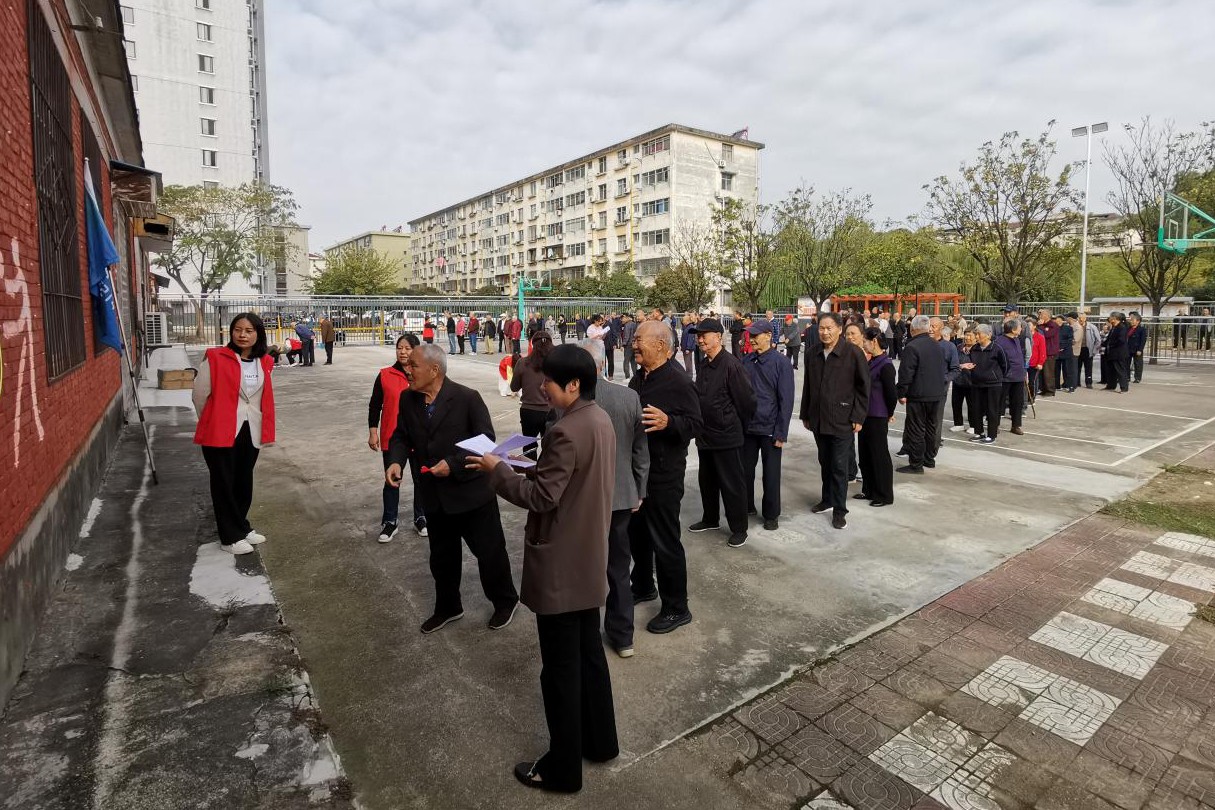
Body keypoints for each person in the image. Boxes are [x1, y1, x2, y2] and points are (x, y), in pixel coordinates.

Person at [467, 345, 619, 794]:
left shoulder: (565, 430)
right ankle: (601, 742)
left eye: (548, 381)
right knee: (589, 658)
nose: (542, 387)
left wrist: (498, 470)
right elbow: (569, 479)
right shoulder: (598, 418)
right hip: (587, 557)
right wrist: (531, 466)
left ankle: (562, 769)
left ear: (573, 384)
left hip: (561, 566)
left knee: (560, 671)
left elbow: (542, 498)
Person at [385, 344, 519, 634]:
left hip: (471, 493)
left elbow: (486, 442)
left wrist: (454, 464)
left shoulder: (467, 398)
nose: (408, 370)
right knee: (442, 557)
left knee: (490, 553)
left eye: (414, 365)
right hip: (434, 495)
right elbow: (401, 436)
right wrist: (395, 461)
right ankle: (448, 607)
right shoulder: (408, 399)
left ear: (434, 370)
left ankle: (505, 601)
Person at [628, 320, 702, 634]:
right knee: (637, 535)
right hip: (638, 473)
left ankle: (677, 608)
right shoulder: (639, 377)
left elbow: (697, 424)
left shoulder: (678, 381)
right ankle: (644, 586)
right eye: (634, 339)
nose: (633, 345)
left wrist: (669, 422)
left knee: (665, 541)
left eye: (638, 340)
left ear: (660, 345)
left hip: (664, 474)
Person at [579, 340, 648, 658]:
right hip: (621, 496)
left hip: (582, 501)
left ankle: (588, 636)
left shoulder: (570, 402)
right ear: (602, 365)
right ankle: (623, 637)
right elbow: (640, 451)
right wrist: (639, 489)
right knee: (619, 568)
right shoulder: (629, 397)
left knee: (585, 568)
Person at [193, 312, 276, 555]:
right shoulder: (216, 358)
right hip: (220, 429)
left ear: (258, 334)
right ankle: (229, 537)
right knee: (223, 482)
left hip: (251, 428)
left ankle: (241, 526)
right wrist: (212, 420)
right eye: (238, 330)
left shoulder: (264, 362)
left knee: (243, 479)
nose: (242, 335)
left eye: (249, 331)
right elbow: (199, 395)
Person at [688, 317, 756, 548]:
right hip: (705, 435)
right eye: (698, 336)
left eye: (704, 336)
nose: (700, 340)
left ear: (718, 337)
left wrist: (732, 423)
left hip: (726, 436)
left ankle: (739, 528)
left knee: (732, 484)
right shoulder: (704, 364)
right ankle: (710, 518)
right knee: (707, 481)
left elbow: (747, 402)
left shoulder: (731, 365)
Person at [799, 313, 869, 530]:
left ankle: (840, 510)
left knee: (839, 466)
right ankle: (827, 499)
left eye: (829, 328)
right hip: (819, 418)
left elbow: (863, 388)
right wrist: (806, 414)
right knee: (825, 461)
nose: (825, 332)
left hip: (842, 419)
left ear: (840, 329)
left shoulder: (853, 353)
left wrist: (858, 416)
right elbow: (808, 385)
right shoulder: (812, 353)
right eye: (822, 328)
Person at [368, 334, 426, 542]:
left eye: (407, 348)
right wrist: (373, 431)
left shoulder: (424, 374)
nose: (403, 352)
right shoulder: (385, 375)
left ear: (416, 351)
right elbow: (375, 405)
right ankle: (390, 521)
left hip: (419, 437)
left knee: (422, 479)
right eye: (399, 348)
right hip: (393, 438)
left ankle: (421, 517)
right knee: (392, 479)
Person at [742, 319, 794, 530]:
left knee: (771, 474)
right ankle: (746, 505)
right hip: (748, 427)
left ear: (768, 336)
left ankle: (771, 514)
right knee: (745, 471)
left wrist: (781, 432)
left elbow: (786, 399)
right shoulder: (747, 360)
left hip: (770, 428)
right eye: (750, 335)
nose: (752, 339)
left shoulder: (781, 363)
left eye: (756, 335)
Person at [896, 315, 947, 474]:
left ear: (913, 328)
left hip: (919, 394)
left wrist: (901, 392)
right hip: (936, 393)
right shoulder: (937, 345)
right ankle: (929, 459)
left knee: (916, 429)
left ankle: (916, 464)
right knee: (931, 428)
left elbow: (906, 373)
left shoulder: (912, 347)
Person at [856, 327, 896, 507]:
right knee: (865, 454)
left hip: (878, 415)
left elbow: (891, 393)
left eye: (865, 341)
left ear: (874, 341)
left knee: (879, 455)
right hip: (865, 414)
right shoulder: (872, 361)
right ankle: (869, 489)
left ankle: (884, 494)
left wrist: (889, 413)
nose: (863, 344)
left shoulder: (885, 365)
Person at [512, 331, 556, 458]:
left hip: (529, 411)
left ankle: (530, 470)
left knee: (529, 447)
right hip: (551, 410)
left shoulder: (522, 363)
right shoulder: (556, 364)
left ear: (532, 344)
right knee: (551, 447)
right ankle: (547, 469)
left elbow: (514, 387)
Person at [961, 324, 1007, 444]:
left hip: (993, 384)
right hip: (977, 383)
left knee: (992, 410)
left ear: (988, 335)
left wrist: (996, 376)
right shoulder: (974, 348)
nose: (976, 336)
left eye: (978, 334)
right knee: (977, 409)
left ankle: (992, 435)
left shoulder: (997, 348)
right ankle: (979, 432)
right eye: (975, 334)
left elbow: (1005, 365)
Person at [995, 318, 1028, 435]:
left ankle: (1016, 425)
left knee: (1017, 402)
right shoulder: (999, 341)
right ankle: (995, 424)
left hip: (1018, 376)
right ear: (1013, 330)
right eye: (1019, 327)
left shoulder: (1017, 340)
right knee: (999, 402)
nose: (1021, 329)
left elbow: (1020, 357)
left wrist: (1024, 372)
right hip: (1005, 377)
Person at [949, 330, 978, 434]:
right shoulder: (958, 347)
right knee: (956, 403)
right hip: (958, 380)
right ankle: (958, 424)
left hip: (972, 382)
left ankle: (974, 425)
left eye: (970, 336)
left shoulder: (978, 349)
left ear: (976, 337)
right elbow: (953, 362)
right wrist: (961, 366)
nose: (967, 338)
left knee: (972, 405)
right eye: (966, 335)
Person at [1104, 312, 1130, 392]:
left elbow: (1121, 340)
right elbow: (1109, 339)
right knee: (1111, 370)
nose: (1109, 319)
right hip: (1111, 353)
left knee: (1120, 370)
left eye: (1110, 317)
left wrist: (1111, 344)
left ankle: (1124, 388)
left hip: (1119, 353)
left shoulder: (1122, 328)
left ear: (1114, 318)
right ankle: (1111, 385)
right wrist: (1103, 344)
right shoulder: (1113, 327)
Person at [1036, 309, 1058, 396]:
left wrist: (1040, 326)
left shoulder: (1053, 325)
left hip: (1050, 352)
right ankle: (1044, 389)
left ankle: (1050, 390)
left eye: (1042, 314)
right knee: (1043, 372)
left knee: (1048, 372)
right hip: (1043, 351)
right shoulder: (1043, 325)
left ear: (1047, 316)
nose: (1040, 316)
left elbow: (1047, 334)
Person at [1076, 312, 1100, 388]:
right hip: (1078, 349)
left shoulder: (1092, 327)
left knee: (1088, 368)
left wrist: (1094, 350)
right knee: (1077, 367)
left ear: (1085, 318)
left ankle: (1089, 383)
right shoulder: (1075, 326)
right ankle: (1077, 382)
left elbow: (1098, 340)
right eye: (1079, 318)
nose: (1081, 319)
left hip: (1088, 349)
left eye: (1083, 318)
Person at [1025, 316, 1046, 398]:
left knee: (1032, 381)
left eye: (1029, 325)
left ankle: (1032, 397)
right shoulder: (1024, 336)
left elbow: (1042, 351)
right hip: (1025, 362)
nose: (1027, 327)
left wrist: (1040, 363)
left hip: (1034, 363)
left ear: (1034, 326)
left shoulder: (1040, 337)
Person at [1058, 314, 1077, 392]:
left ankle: (1070, 386)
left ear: (1063, 321)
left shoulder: (1068, 328)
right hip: (1057, 352)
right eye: (1057, 321)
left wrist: (1062, 346)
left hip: (1066, 351)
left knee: (1068, 370)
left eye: (1060, 320)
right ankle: (1058, 385)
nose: (1058, 322)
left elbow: (1070, 339)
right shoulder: (1054, 329)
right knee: (1057, 369)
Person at [1127, 312, 1146, 383]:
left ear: (1138, 321)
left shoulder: (1141, 329)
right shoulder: (1128, 328)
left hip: (1137, 349)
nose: (1131, 321)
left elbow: (1143, 340)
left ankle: (1137, 378)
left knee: (1138, 364)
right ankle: (1127, 377)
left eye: (1133, 320)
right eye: (1130, 320)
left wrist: (1140, 349)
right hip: (1128, 348)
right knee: (1126, 363)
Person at [621, 313, 638, 379]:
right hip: (634, 345)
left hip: (628, 345)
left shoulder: (627, 325)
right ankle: (635, 376)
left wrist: (623, 344)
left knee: (626, 361)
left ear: (627, 317)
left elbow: (626, 336)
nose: (622, 320)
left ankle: (627, 377)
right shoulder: (634, 324)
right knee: (633, 361)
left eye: (623, 318)